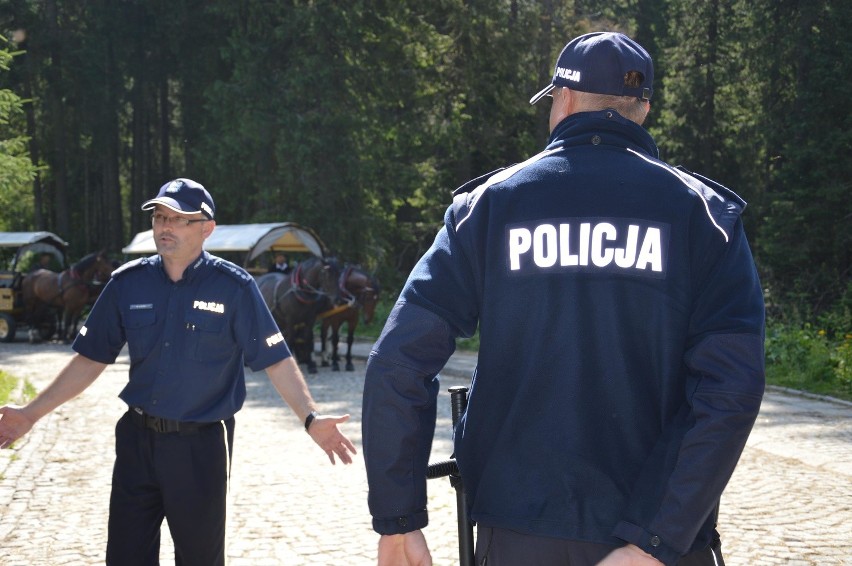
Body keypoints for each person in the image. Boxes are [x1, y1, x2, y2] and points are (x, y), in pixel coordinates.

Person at [361, 32, 764, 566]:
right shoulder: (705, 216)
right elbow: (731, 388)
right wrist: (655, 539)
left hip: (519, 533)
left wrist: (399, 520)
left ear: (564, 100)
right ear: (641, 109)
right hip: (660, 538)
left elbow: (397, 362)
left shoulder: (487, 207)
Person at [0, 178, 357, 565]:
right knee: (125, 556)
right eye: (159, 217)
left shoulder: (234, 288)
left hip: (199, 447)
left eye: (178, 219)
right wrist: (29, 414)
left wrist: (310, 417)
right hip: (136, 443)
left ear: (206, 228)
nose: (164, 226)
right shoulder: (127, 283)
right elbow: (89, 359)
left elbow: (276, 360)